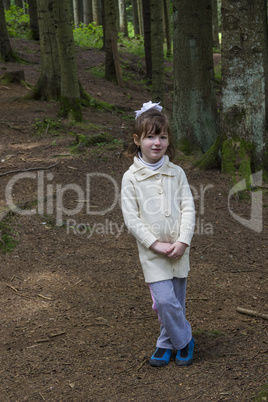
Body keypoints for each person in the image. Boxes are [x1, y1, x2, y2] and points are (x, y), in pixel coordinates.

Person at [121, 101, 196, 367]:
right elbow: (131, 217)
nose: (157, 142)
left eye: (162, 137)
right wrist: (153, 243)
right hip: (153, 254)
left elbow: (188, 207)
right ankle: (185, 339)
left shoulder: (177, 173)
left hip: (177, 250)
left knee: (175, 301)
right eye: (150, 136)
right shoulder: (131, 178)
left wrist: (183, 240)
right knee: (164, 301)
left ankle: (165, 343)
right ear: (137, 140)